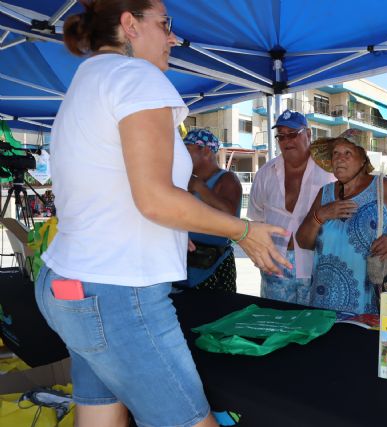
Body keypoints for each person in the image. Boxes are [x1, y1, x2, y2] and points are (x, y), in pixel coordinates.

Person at [34, 2, 288, 427]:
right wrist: (244, 230)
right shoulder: (136, 77)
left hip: (70, 283)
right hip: (118, 291)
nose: (174, 37)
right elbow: (153, 198)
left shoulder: (88, 78)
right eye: (165, 25)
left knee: (99, 417)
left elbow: (107, 186)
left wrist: (169, 232)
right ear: (130, 25)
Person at [296, 129, 387, 314]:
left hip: (372, 300)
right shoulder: (324, 193)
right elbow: (303, 241)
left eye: (348, 153)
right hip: (325, 301)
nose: (339, 159)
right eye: (335, 154)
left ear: (363, 159)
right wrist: (320, 215)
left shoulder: (382, 187)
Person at [248, 109, 335, 305]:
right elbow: (256, 219)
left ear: (309, 134)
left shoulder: (329, 172)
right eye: (281, 136)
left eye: (293, 134)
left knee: (314, 326)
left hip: (317, 263)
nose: (287, 141)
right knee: (276, 322)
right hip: (275, 266)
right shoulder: (265, 173)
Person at [178, 128, 242, 292]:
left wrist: (200, 187)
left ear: (205, 151)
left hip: (214, 263)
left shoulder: (227, 179)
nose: (181, 156)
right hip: (185, 262)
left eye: (186, 150)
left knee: (217, 314)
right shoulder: (184, 179)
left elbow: (230, 216)